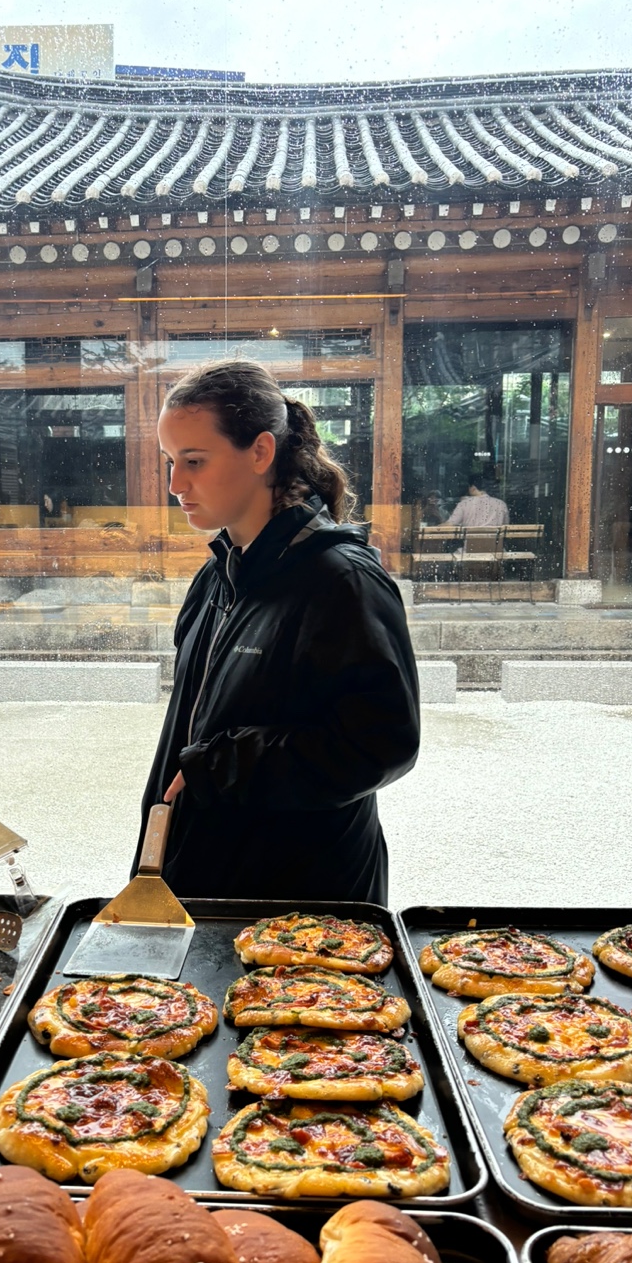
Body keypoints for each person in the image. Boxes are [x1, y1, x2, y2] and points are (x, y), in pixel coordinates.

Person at [134, 360, 420, 906]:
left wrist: (223, 764)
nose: (175, 484)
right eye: (171, 462)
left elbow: (381, 744)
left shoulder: (341, 581)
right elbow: (188, 729)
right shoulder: (218, 575)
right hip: (205, 873)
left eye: (194, 461)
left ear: (261, 453)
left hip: (303, 898)